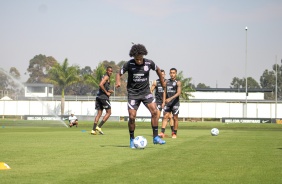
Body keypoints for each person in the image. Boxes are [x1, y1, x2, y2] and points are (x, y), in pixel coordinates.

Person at [116, 44, 166, 148]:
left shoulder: (149, 63)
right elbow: (118, 73)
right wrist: (118, 82)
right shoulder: (129, 64)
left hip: (145, 92)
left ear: (143, 55)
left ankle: (156, 137)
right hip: (133, 94)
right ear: (133, 57)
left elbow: (158, 70)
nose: (139, 61)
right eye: (136, 59)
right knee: (132, 116)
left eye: (140, 58)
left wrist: (162, 81)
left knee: (155, 111)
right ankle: (131, 139)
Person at [159, 68, 182, 138]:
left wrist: (170, 98)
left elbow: (178, 93)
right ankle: (162, 132)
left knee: (175, 118)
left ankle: (174, 133)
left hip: (175, 103)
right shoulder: (167, 82)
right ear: (169, 74)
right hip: (167, 103)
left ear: (176, 73)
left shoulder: (178, 82)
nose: (172, 74)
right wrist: (163, 102)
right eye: (171, 73)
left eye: (173, 73)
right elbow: (164, 92)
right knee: (165, 116)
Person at [91, 66, 114, 135]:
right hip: (103, 97)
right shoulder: (106, 77)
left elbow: (103, 86)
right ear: (106, 71)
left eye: (111, 71)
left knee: (99, 113)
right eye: (109, 71)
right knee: (109, 112)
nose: (110, 72)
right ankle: (99, 126)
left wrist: (109, 91)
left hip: (98, 97)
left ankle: (93, 130)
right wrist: (106, 93)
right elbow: (100, 84)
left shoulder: (104, 77)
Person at [150, 70, 174, 136]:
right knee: (156, 117)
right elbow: (151, 90)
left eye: (163, 74)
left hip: (166, 102)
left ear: (165, 75)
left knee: (169, 116)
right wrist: (151, 98)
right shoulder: (156, 82)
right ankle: (154, 132)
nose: (162, 75)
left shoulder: (167, 82)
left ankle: (172, 132)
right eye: (161, 74)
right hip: (158, 102)